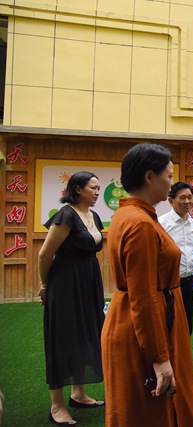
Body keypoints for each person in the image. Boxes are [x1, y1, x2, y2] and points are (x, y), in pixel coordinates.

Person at [101, 143, 193, 427]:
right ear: (149, 177)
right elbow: (143, 295)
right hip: (144, 327)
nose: (170, 183)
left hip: (141, 319)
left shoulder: (130, 214)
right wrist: (159, 357)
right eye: (168, 176)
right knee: (151, 414)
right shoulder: (141, 224)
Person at [38, 171, 106, 426]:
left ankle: (78, 394)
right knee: (63, 338)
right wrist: (45, 285)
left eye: (98, 188)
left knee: (85, 334)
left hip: (89, 282)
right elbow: (45, 255)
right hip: (65, 283)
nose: (97, 192)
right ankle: (57, 406)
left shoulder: (94, 216)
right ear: (77, 189)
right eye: (93, 188)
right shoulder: (66, 215)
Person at [159, 182, 193, 380]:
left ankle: (183, 369)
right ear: (171, 201)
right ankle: (167, 370)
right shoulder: (161, 223)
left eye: (189, 197)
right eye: (182, 197)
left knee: (186, 327)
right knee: (168, 326)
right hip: (168, 284)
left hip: (187, 281)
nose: (187, 201)